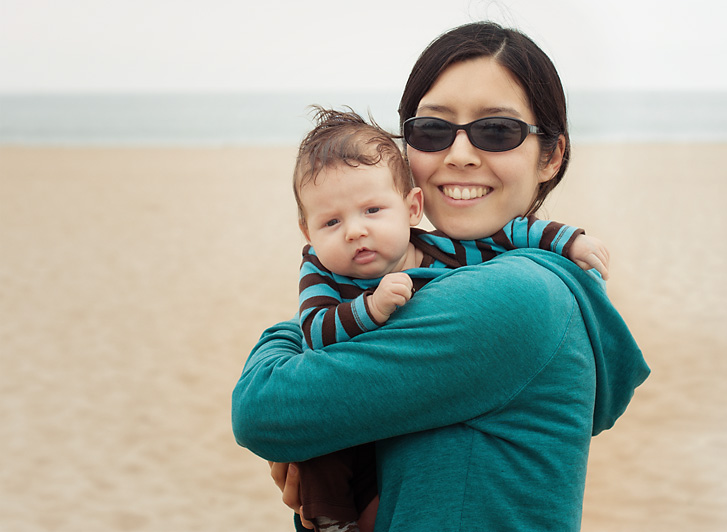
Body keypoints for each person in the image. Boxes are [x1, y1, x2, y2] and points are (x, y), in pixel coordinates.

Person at [232, 21, 650, 532]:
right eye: (432, 129)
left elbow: (262, 408)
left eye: (497, 130)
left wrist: (288, 340)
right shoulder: (465, 274)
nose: (459, 154)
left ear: (551, 155)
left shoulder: (517, 297)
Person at [290, 106, 610, 531]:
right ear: (307, 232)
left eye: (371, 211)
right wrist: (369, 308)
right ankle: (333, 521)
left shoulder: (447, 251)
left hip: (403, 412)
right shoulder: (321, 270)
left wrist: (568, 240)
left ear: (411, 207)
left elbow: (509, 233)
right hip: (348, 419)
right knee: (317, 464)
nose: (354, 231)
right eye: (330, 222)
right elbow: (312, 329)